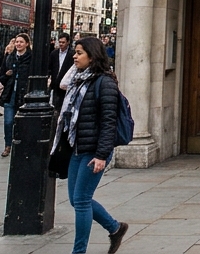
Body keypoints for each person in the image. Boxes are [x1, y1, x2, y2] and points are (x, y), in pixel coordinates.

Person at [55, 37, 131, 254]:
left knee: (81, 201)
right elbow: (62, 82)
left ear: (92, 55)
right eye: (75, 52)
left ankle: (78, 251)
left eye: (79, 53)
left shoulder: (105, 83)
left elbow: (108, 122)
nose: (74, 56)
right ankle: (115, 228)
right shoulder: (79, 79)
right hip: (77, 148)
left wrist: (101, 155)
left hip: (94, 151)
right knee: (76, 199)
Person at [0, 33, 33, 157]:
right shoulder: (9, 57)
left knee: (22, 123)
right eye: (17, 42)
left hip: (24, 95)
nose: (18, 44)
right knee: (8, 122)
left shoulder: (31, 58)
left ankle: (21, 145)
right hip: (10, 94)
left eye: (21, 42)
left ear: (27, 44)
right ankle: (8, 145)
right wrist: (7, 75)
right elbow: (0, 76)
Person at [53, 33, 77, 109]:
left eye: (63, 42)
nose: (61, 44)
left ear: (68, 42)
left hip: (67, 85)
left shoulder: (72, 54)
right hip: (55, 84)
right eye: (59, 42)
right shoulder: (54, 53)